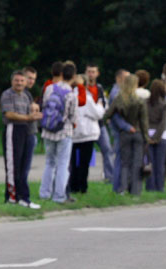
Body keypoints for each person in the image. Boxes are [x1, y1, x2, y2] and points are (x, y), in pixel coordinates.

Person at [0, 70, 43, 209]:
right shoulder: (7, 94)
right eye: (16, 80)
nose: (19, 83)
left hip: (25, 130)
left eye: (22, 81)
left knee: (23, 166)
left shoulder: (26, 95)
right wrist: (29, 118)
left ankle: (23, 197)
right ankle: (13, 198)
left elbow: (32, 109)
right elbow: (9, 114)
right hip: (13, 129)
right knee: (13, 166)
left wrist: (35, 112)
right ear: (12, 81)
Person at [104, 73, 149, 196]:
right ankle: (135, 191)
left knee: (124, 163)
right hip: (138, 133)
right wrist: (146, 137)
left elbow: (108, 114)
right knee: (137, 163)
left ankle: (122, 188)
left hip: (124, 134)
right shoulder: (140, 100)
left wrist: (107, 122)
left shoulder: (119, 99)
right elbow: (144, 121)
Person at [39, 62, 78, 203]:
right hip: (64, 131)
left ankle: (44, 193)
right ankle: (59, 195)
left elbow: (43, 106)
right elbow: (73, 116)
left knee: (49, 162)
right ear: (73, 76)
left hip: (48, 130)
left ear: (61, 74)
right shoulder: (71, 94)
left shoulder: (49, 88)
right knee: (62, 164)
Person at [69, 74, 105, 194]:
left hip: (74, 134)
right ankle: (83, 187)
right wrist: (100, 106)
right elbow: (97, 114)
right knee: (84, 163)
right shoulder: (86, 97)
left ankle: (73, 185)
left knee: (74, 163)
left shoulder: (70, 95)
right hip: (87, 134)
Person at [85, 63, 114, 182]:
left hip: (99, 124)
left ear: (97, 74)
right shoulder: (82, 89)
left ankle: (110, 177)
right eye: (89, 71)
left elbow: (105, 105)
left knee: (107, 149)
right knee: (84, 152)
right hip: (86, 125)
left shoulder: (100, 88)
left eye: (93, 72)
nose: (91, 74)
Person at [145, 79, 166, 191]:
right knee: (160, 164)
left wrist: (149, 137)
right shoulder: (163, 104)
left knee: (150, 163)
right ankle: (160, 187)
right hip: (161, 136)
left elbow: (143, 120)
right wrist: (157, 137)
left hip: (148, 133)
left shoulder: (145, 102)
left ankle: (150, 187)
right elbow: (163, 123)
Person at [22, 66, 41, 191]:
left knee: (26, 165)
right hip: (26, 133)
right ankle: (22, 188)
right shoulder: (22, 94)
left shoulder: (28, 94)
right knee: (24, 165)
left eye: (33, 79)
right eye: (29, 78)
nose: (31, 81)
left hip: (32, 132)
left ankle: (23, 187)